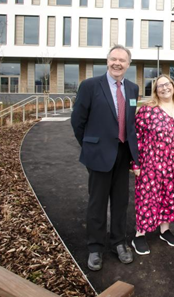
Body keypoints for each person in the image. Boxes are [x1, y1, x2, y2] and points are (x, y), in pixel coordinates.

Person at [71, 45, 139, 270]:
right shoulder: (90, 86)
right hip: (99, 154)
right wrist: (89, 146)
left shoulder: (132, 88)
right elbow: (77, 121)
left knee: (121, 202)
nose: (117, 63)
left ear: (128, 64)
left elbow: (129, 123)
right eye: (113, 59)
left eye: (122, 60)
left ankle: (118, 243)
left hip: (123, 154)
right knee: (97, 203)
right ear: (107, 61)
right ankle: (95, 248)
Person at [131, 75, 174, 255]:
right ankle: (140, 234)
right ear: (155, 91)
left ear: (173, 87)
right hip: (151, 163)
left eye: (167, 84)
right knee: (148, 198)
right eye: (160, 86)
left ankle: (164, 230)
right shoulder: (147, 110)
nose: (164, 88)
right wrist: (135, 163)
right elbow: (136, 137)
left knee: (169, 196)